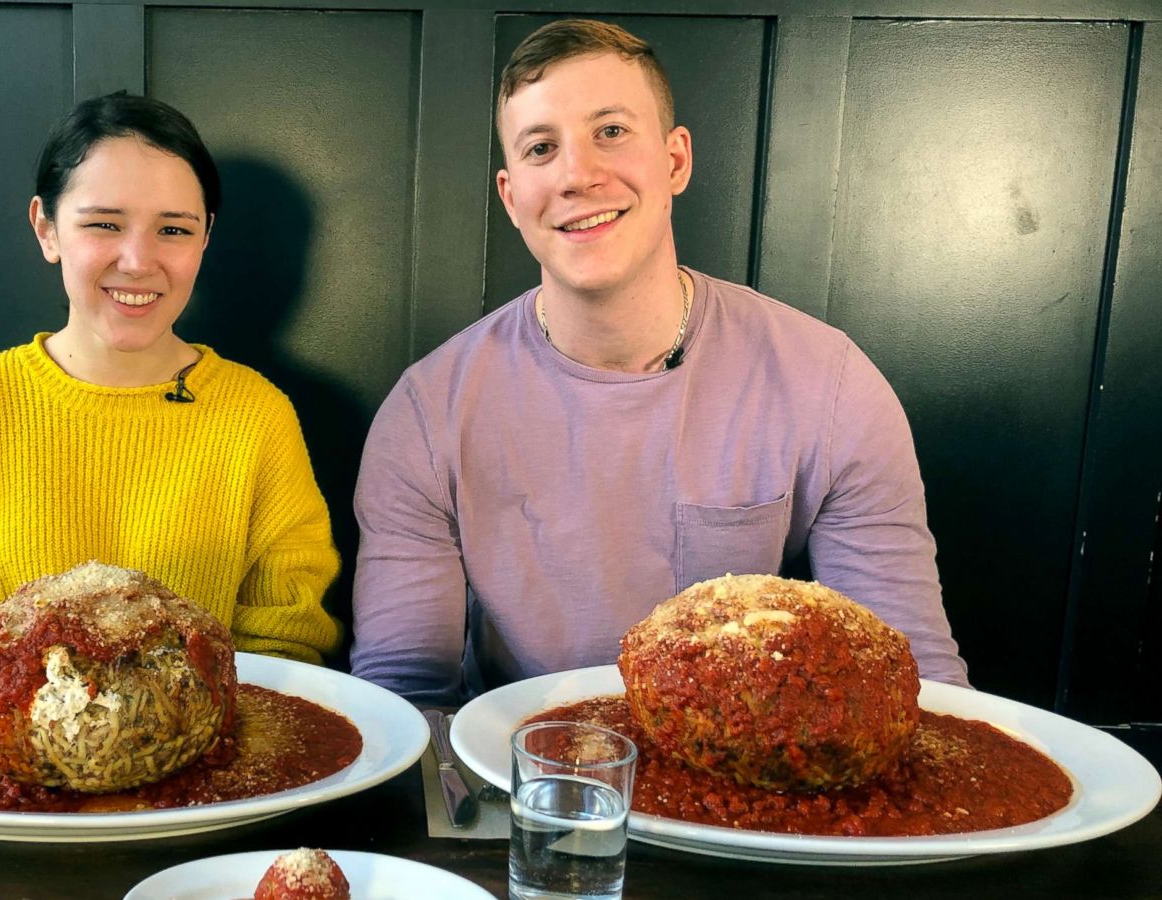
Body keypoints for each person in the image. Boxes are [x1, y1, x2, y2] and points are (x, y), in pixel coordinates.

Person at [349, 20, 969, 704]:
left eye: (610, 131)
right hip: (517, 782)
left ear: (675, 161)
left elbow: (914, 682)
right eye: (541, 148)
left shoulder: (831, 387)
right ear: (511, 197)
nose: (577, 175)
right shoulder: (426, 413)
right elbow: (405, 697)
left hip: (750, 781)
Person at [0, 93, 341, 669]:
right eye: (104, 224)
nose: (138, 261)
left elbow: (284, 650)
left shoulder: (258, 414)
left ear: (205, 237)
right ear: (47, 228)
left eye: (174, 230)